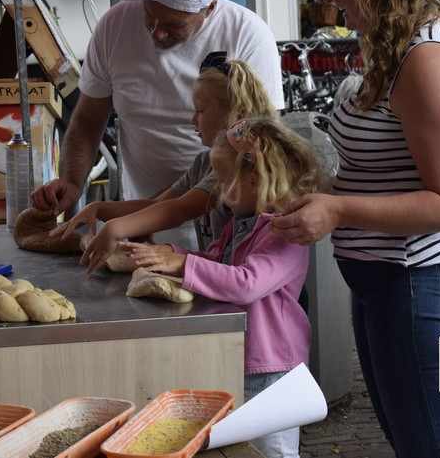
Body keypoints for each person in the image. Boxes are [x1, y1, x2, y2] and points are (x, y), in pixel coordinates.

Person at [268, 0, 440, 458]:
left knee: (430, 448)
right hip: (387, 281)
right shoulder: (394, 47)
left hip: (417, 280)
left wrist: (337, 210)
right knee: (411, 442)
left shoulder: (425, 59)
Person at [30, 0, 285, 246]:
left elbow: (264, 137)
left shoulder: (248, 34)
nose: (157, 33)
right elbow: (87, 119)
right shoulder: (114, 26)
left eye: (173, 24)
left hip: (227, 221)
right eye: (149, 18)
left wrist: (123, 221)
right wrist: (74, 183)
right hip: (143, 211)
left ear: (209, 8)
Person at [122, 117, 326, 458]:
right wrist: (172, 254)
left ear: (255, 179)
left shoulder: (284, 233)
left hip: (272, 367)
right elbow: (217, 262)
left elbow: (247, 283)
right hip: (242, 357)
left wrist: (183, 265)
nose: (217, 189)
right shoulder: (241, 224)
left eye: (223, 180)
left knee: (274, 452)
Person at [55, 53, 278, 270]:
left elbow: (179, 210)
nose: (193, 120)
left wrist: (116, 228)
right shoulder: (204, 162)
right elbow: (158, 204)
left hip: (243, 279)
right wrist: (98, 209)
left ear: (234, 112)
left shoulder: (236, 167)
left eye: (200, 111)